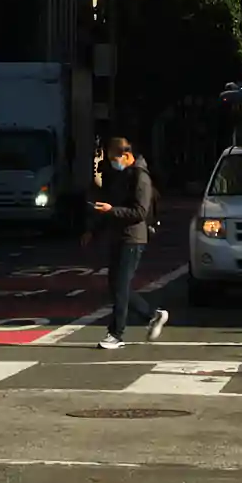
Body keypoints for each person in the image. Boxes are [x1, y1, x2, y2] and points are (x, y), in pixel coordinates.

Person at [92, 135, 169, 350]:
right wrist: (95, 228)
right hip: (119, 236)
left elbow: (140, 212)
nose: (112, 163)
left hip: (133, 238)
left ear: (126, 155)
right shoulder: (123, 175)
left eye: (114, 158)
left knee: (120, 287)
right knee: (117, 286)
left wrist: (111, 210)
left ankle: (116, 333)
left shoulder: (140, 177)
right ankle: (153, 315)